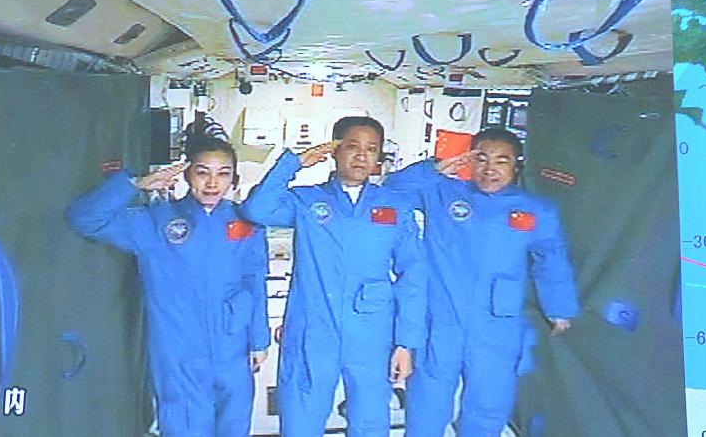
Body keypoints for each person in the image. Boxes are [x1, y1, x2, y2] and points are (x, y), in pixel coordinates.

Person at [66, 135, 269, 437]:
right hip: (180, 352)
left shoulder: (245, 224)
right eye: (203, 171)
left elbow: (255, 281)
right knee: (185, 425)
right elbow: (85, 219)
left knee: (235, 425)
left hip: (233, 349)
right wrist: (134, 184)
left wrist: (259, 340)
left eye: (223, 173)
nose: (212, 182)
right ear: (186, 174)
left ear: (233, 178)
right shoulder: (156, 223)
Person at [384, 127, 580, 437]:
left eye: (501, 161)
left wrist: (559, 308)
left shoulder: (535, 209)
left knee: (488, 407)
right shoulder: (442, 193)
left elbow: (551, 259)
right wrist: (435, 167)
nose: (490, 169)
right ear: (469, 161)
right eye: (481, 158)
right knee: (426, 406)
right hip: (441, 320)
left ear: (516, 165)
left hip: (496, 325)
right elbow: (391, 192)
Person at [240, 116, 425, 437]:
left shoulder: (394, 208)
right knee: (300, 420)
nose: (361, 156)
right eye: (352, 147)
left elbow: (413, 277)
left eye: (371, 149)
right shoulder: (307, 201)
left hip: (372, 333)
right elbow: (257, 210)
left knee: (370, 423)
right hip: (313, 330)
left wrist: (406, 343)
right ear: (334, 151)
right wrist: (293, 163)